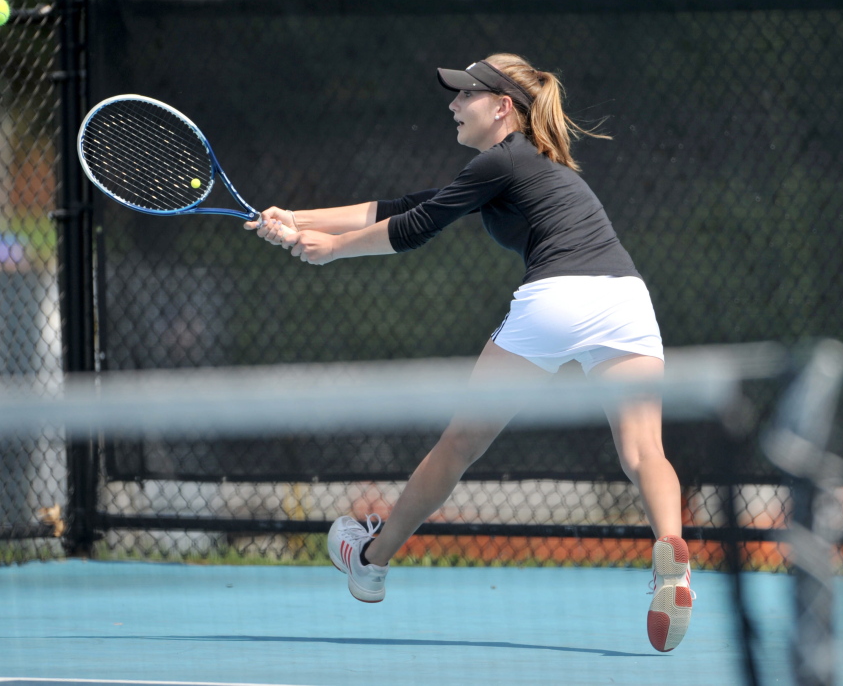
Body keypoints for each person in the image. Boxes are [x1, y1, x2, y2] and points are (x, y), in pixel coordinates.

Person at [245, 54, 694, 652]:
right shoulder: (525, 166)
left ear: (503, 106)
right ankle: (674, 557)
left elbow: (414, 228)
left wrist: (332, 251)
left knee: (459, 445)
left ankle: (372, 561)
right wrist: (294, 218)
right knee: (644, 452)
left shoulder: (500, 160)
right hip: (626, 300)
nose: (453, 106)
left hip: (556, 296)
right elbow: (396, 206)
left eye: (465, 96)